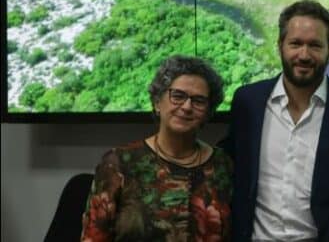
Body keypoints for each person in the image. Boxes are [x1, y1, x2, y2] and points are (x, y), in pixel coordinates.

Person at [222, 0, 329, 242]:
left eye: (315, 45)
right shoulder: (248, 102)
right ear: (280, 45)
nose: (304, 55)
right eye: (295, 43)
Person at [81, 55, 232, 241]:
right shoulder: (119, 164)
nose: (186, 106)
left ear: (208, 113)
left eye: (199, 101)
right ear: (157, 102)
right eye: (177, 96)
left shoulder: (224, 165)